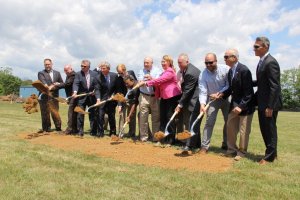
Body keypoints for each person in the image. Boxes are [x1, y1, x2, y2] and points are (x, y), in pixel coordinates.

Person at [220, 49, 255, 161]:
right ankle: (231, 150)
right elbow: (231, 88)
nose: (224, 59)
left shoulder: (244, 70)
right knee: (230, 126)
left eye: (226, 57)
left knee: (244, 131)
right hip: (234, 105)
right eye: (224, 57)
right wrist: (221, 94)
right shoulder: (231, 71)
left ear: (234, 58)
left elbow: (249, 93)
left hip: (246, 106)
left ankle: (241, 152)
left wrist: (241, 106)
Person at [253, 36, 282, 165]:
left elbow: (274, 86)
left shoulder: (271, 62)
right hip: (262, 102)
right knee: (264, 129)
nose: (254, 49)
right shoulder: (261, 62)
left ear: (266, 47)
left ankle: (269, 157)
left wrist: (270, 106)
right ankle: (272, 153)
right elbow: (261, 83)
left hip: (269, 104)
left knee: (270, 130)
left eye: (256, 47)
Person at [141, 55, 182, 145]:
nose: (163, 63)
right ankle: (161, 139)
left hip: (172, 97)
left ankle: (170, 140)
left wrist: (148, 83)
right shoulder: (164, 72)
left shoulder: (170, 72)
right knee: (162, 118)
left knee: (169, 118)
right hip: (163, 97)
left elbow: (160, 80)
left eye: (165, 61)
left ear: (169, 62)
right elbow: (159, 81)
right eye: (162, 61)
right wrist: (152, 80)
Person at [199, 53, 230, 153]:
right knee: (209, 122)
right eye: (206, 63)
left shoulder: (226, 69)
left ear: (216, 61)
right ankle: (204, 146)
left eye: (210, 62)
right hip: (212, 100)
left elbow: (229, 85)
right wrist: (202, 104)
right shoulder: (203, 74)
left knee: (229, 122)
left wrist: (220, 93)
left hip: (226, 98)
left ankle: (226, 144)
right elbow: (203, 90)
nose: (208, 65)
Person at [175, 53, 201, 152]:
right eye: (178, 63)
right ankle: (196, 144)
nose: (179, 65)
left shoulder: (190, 72)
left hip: (195, 101)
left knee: (191, 123)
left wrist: (180, 104)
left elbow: (187, 90)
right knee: (194, 123)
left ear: (187, 61)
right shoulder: (187, 70)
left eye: (181, 63)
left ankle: (189, 146)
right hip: (192, 100)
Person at [72, 60, 101, 137]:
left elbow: (97, 86)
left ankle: (93, 131)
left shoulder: (95, 74)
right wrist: (75, 92)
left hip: (92, 97)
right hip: (81, 97)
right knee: (80, 114)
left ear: (88, 67)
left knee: (93, 114)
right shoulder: (78, 74)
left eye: (84, 66)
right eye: (81, 66)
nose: (82, 67)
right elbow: (76, 83)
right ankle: (80, 131)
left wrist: (96, 94)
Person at [137, 57, 162, 142]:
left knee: (156, 118)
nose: (145, 64)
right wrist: (143, 81)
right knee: (143, 117)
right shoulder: (141, 71)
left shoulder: (158, 71)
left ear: (152, 63)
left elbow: (159, 82)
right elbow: (140, 82)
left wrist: (151, 78)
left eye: (147, 63)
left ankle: (155, 138)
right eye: (144, 62)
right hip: (144, 96)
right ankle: (144, 137)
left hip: (155, 97)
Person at [37, 58, 64, 132]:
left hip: (54, 96)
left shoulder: (57, 73)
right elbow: (44, 83)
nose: (47, 66)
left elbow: (62, 83)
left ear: (52, 64)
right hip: (44, 97)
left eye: (48, 64)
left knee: (55, 112)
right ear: (44, 65)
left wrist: (58, 84)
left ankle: (58, 128)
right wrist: (51, 85)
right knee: (45, 113)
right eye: (46, 64)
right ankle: (46, 129)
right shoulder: (41, 73)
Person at [98, 61, 118, 137]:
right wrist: (98, 99)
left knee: (111, 116)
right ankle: (100, 132)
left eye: (103, 68)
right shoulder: (98, 77)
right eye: (101, 68)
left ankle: (113, 132)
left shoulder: (115, 76)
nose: (102, 70)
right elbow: (97, 89)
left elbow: (117, 88)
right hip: (102, 100)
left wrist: (114, 95)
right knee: (100, 115)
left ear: (108, 69)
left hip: (112, 100)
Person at [115, 64, 137, 135]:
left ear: (125, 70)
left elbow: (136, 84)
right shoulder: (118, 79)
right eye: (119, 73)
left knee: (131, 116)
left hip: (132, 98)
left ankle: (132, 132)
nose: (120, 74)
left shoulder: (131, 73)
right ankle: (121, 133)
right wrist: (119, 104)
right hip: (123, 99)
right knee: (121, 115)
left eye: (121, 73)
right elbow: (119, 92)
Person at [122, 75, 140, 139]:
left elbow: (134, 104)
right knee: (130, 117)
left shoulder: (136, 87)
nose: (126, 85)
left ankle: (143, 134)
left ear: (132, 80)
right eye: (125, 83)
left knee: (139, 116)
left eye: (127, 83)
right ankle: (131, 133)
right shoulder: (131, 85)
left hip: (141, 101)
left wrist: (129, 115)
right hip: (132, 101)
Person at [62, 64, 78, 135]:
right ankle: (74, 129)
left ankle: (69, 129)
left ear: (71, 69)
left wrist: (56, 85)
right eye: (64, 70)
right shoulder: (68, 75)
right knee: (74, 113)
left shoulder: (73, 75)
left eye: (67, 70)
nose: (66, 72)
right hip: (70, 97)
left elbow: (67, 84)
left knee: (71, 113)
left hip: (74, 97)